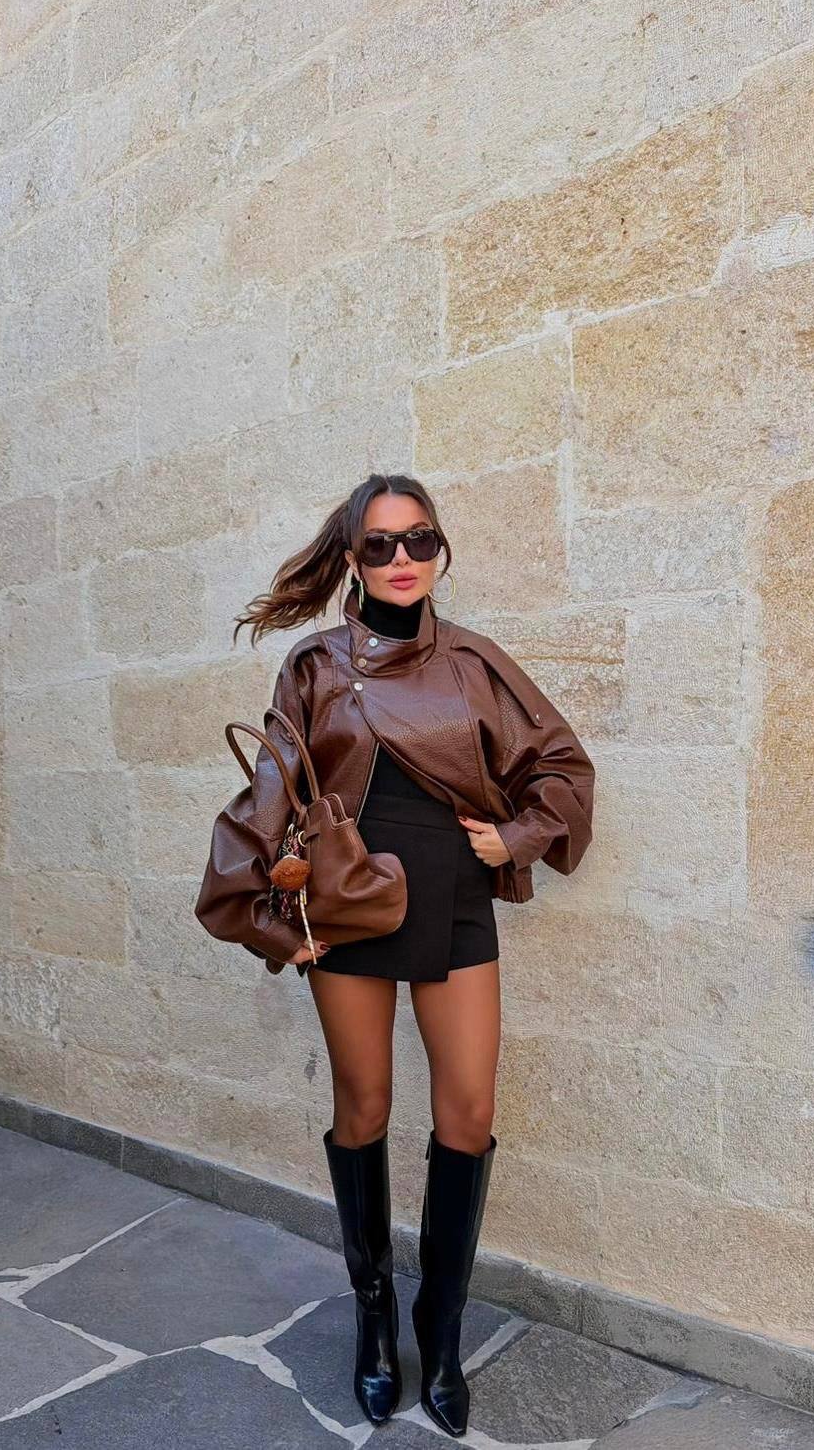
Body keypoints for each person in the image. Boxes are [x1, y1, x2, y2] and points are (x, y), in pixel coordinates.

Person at [196, 473, 595, 1437]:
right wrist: (272, 921)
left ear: (439, 550)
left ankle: (439, 1330)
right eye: (379, 544)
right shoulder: (314, 665)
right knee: (363, 1106)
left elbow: (560, 764)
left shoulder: (474, 661)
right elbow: (272, 791)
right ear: (352, 558)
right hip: (348, 904)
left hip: (453, 897)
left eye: (419, 539)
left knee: (468, 1114)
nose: (402, 559)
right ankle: (375, 1318)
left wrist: (517, 838)